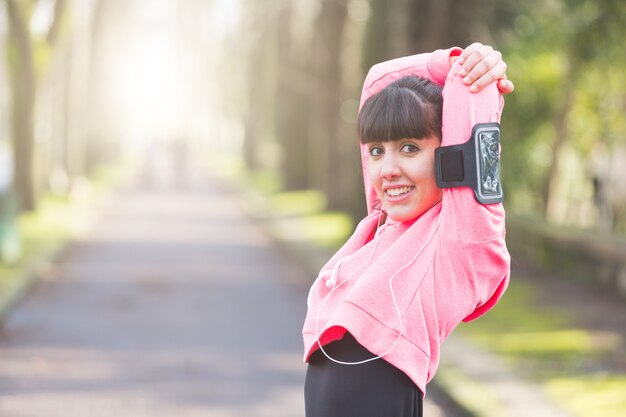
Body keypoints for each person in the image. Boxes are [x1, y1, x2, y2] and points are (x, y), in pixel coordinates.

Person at [302, 43, 512, 417]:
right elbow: (377, 82)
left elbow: (473, 94)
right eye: (377, 151)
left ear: (450, 152)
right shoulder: (379, 226)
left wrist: (473, 67)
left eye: (410, 148)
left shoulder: (462, 239)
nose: (387, 170)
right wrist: (446, 63)